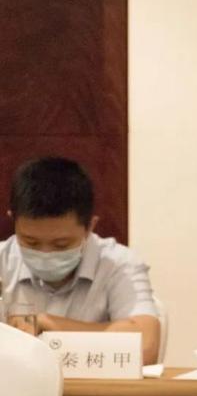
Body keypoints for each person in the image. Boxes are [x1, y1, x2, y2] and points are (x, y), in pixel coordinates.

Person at [0, 156, 161, 365]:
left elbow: (146, 347)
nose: (45, 253)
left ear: (89, 227)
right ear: (13, 221)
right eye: (31, 242)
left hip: (96, 386)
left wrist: (49, 324)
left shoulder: (118, 263)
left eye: (61, 244)